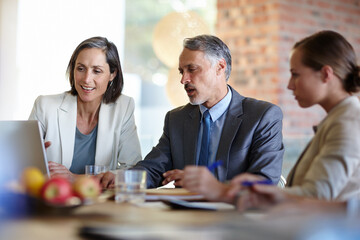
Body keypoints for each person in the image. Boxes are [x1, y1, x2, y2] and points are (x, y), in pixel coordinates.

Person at [185, 30, 360, 204]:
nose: (290, 85)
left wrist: (223, 191)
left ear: (325, 74)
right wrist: (258, 188)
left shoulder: (348, 121)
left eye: (295, 74)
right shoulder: (341, 118)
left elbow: (315, 196)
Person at [100, 34, 284, 188]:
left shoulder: (262, 116)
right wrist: (123, 178)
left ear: (220, 67)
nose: (183, 80)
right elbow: (154, 168)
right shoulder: (176, 119)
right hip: (182, 218)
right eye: (181, 71)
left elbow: (264, 182)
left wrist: (213, 187)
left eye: (192, 69)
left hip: (234, 221)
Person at [29, 36, 142, 180]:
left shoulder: (123, 107)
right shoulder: (45, 106)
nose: (86, 79)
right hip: (54, 197)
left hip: (100, 200)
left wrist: (75, 178)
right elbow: (22, 163)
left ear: (112, 74)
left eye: (97, 71)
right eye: (81, 69)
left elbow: (133, 169)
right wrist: (34, 160)